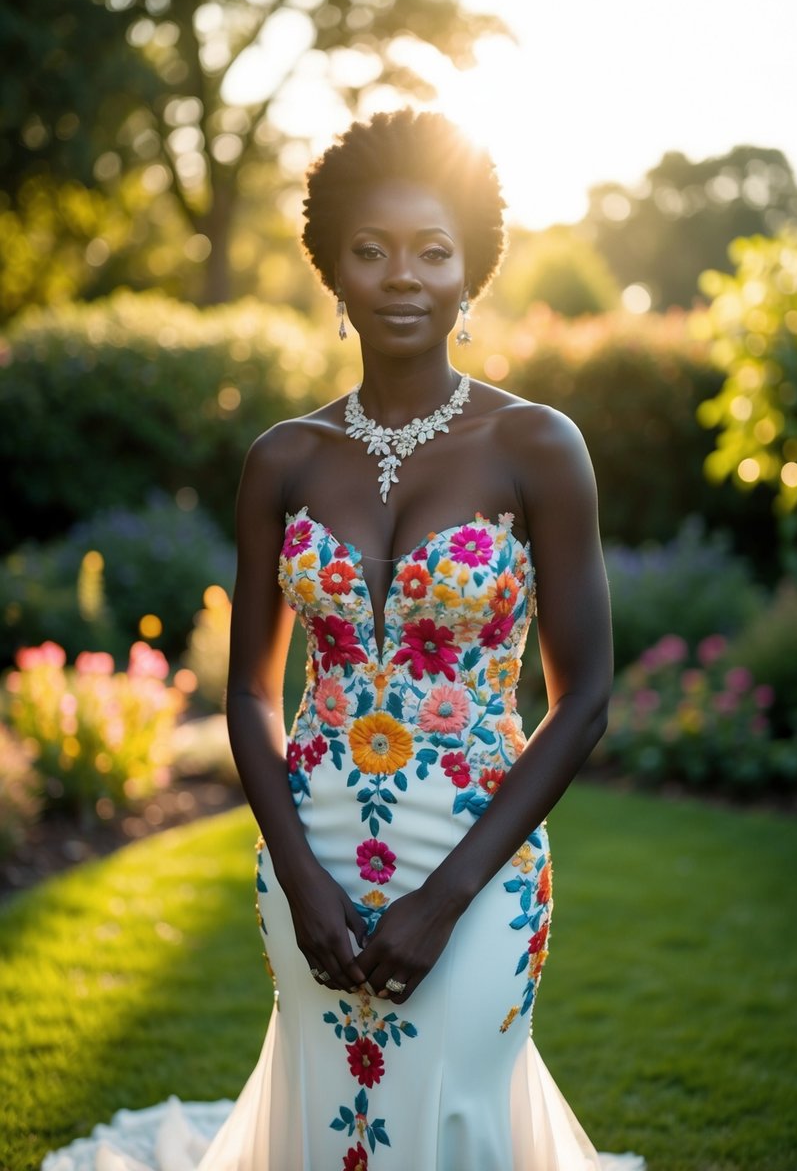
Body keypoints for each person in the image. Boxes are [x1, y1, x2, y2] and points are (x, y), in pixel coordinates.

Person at [41, 110, 644, 1171]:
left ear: (471, 271)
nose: (401, 278)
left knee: (455, 1105)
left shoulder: (538, 445)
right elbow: (249, 696)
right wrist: (299, 875)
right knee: (334, 1117)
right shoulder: (282, 459)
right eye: (370, 251)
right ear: (331, 270)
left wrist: (447, 895)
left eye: (431, 252)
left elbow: (583, 695)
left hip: (479, 857)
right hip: (309, 851)